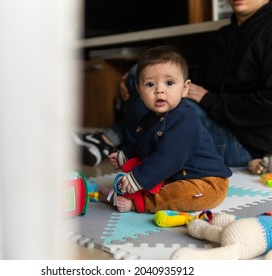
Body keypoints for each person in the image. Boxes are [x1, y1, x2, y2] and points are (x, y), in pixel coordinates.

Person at [76, 0, 272, 174]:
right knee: (144, 75)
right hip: (210, 120)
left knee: (158, 91)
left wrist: (208, 99)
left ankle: (108, 140)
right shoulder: (225, 35)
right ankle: (111, 139)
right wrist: (138, 86)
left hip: (241, 143)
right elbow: (196, 82)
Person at [98, 45, 232, 213]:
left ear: (185, 88)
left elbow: (167, 158)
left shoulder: (186, 120)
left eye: (169, 83)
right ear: (139, 92)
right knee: (151, 174)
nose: (159, 90)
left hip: (206, 182)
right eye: (150, 84)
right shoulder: (149, 118)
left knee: (180, 194)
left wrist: (138, 179)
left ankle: (140, 203)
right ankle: (122, 194)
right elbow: (145, 144)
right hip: (174, 173)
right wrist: (126, 155)